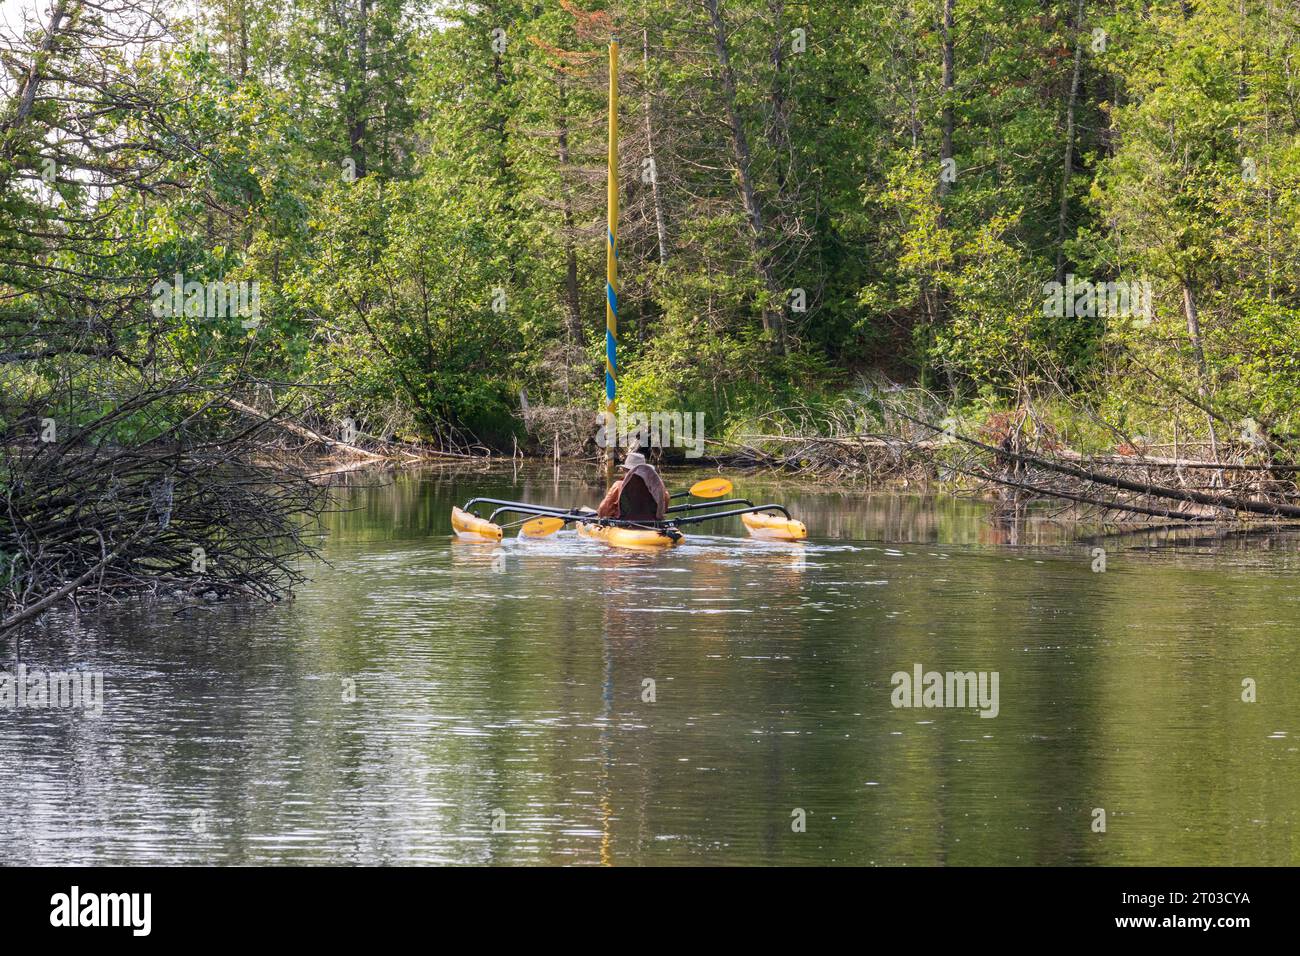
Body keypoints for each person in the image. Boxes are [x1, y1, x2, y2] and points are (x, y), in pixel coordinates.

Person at [596, 451, 669, 521]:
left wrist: (612, 514)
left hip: (626, 525)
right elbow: (664, 503)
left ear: (625, 470)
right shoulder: (657, 486)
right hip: (652, 523)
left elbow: (603, 511)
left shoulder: (618, 485)